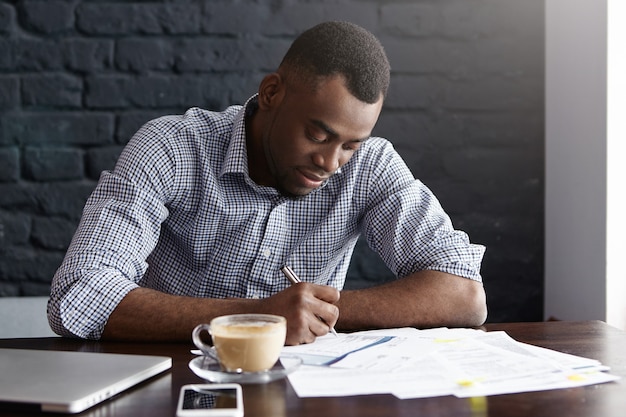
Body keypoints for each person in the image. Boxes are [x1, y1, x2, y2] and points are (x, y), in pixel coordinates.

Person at [48, 21, 487, 345]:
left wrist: (316, 312)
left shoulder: (369, 165)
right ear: (272, 92)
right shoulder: (172, 148)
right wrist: (258, 316)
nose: (330, 162)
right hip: (171, 383)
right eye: (318, 134)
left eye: (350, 144)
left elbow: (464, 295)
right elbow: (79, 295)